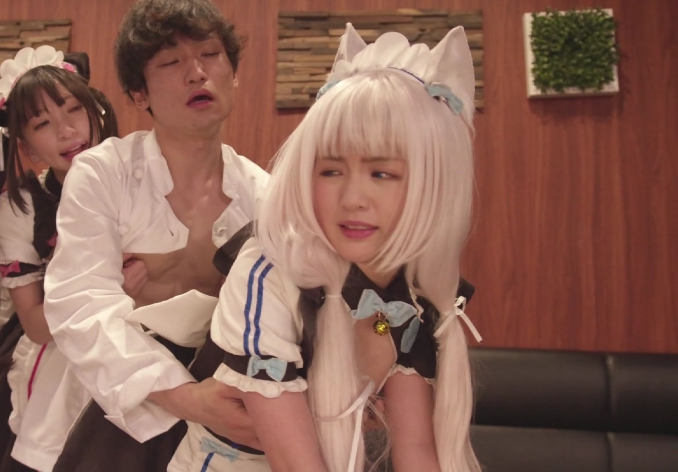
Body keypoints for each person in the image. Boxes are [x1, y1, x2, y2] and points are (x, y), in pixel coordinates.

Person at [169, 24, 484, 472]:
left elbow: (416, 451)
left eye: (382, 174)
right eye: (331, 170)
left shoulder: (407, 299)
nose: (352, 198)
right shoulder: (268, 274)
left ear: (435, 185)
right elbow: (295, 463)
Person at [43, 0, 269, 470]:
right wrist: (188, 399)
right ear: (139, 93)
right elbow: (80, 303)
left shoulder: (264, 193)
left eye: (210, 55)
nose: (197, 73)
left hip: (227, 412)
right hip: (120, 404)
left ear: (234, 75)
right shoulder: (103, 173)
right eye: (170, 62)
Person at [0, 45, 124, 472]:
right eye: (42, 123)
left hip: (138, 353)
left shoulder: (143, 179)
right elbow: (35, 324)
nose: (67, 130)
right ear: (26, 145)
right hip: (52, 360)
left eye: (73, 109)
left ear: (96, 111)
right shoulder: (22, 208)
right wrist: (115, 291)